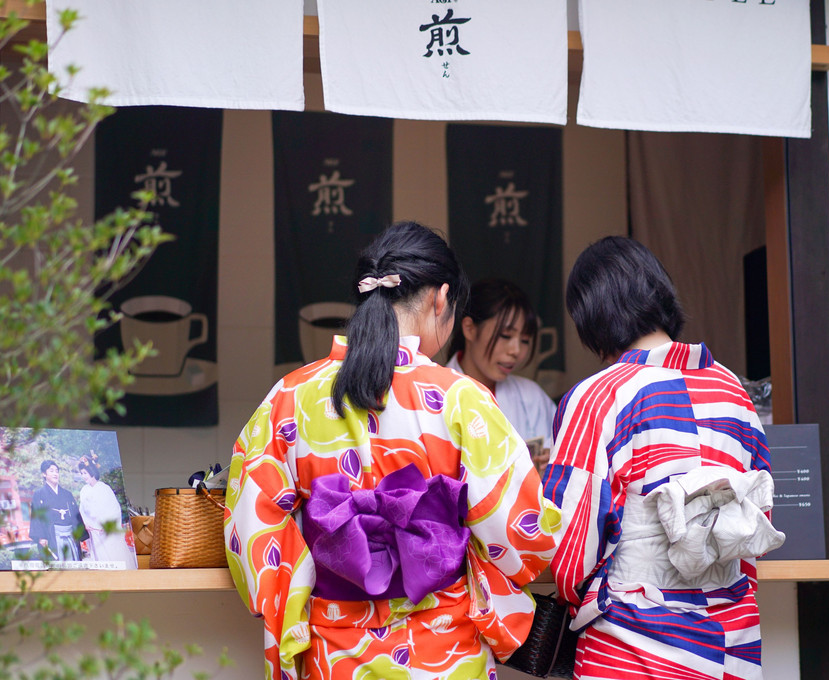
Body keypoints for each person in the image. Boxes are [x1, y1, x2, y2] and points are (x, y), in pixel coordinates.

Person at [224, 221, 560, 680]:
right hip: (444, 649)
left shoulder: (291, 396)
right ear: (441, 298)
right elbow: (519, 537)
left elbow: (249, 519)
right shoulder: (463, 399)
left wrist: (304, 588)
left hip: (334, 650)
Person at [542, 236, 784, 680]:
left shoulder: (600, 395)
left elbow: (568, 547)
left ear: (592, 315)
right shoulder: (734, 392)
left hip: (631, 648)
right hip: (733, 644)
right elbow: (758, 519)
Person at [445, 278, 557, 473]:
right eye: (505, 336)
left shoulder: (532, 396)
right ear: (470, 329)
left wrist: (554, 461)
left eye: (524, 340)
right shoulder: (437, 395)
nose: (516, 351)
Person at [77, 461, 138, 569]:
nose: (83, 476)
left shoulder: (104, 488)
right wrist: (86, 523)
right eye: (81, 473)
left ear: (91, 472)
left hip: (106, 529)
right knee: (99, 554)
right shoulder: (84, 490)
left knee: (112, 552)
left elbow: (113, 510)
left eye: (85, 473)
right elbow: (82, 510)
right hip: (93, 530)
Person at [28, 459, 87, 562]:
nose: (55, 474)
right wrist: (41, 537)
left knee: (74, 563)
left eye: (56, 471)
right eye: (51, 471)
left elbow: (75, 515)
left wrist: (80, 534)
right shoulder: (39, 494)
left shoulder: (67, 494)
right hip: (52, 536)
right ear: (44, 474)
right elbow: (36, 517)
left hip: (70, 536)